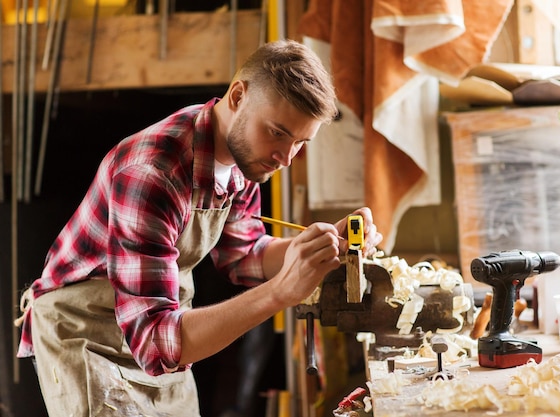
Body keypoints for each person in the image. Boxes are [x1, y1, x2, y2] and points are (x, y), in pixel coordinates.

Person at [14, 39, 383, 417]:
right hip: (92, 337)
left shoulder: (244, 156)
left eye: (300, 143)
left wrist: (317, 249)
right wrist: (280, 293)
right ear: (239, 96)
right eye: (278, 133)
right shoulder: (152, 173)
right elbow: (156, 342)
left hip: (162, 326)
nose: (286, 158)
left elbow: (243, 254)